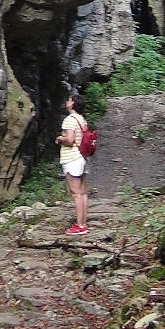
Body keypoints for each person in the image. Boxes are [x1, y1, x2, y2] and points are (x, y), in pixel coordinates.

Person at [55, 94, 89, 234]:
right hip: (81, 157)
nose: (67, 101)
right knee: (82, 192)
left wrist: (59, 139)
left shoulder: (69, 120)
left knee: (75, 193)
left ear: (73, 103)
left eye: (69, 100)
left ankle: (80, 226)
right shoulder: (81, 119)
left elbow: (69, 140)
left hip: (72, 158)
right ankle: (83, 223)